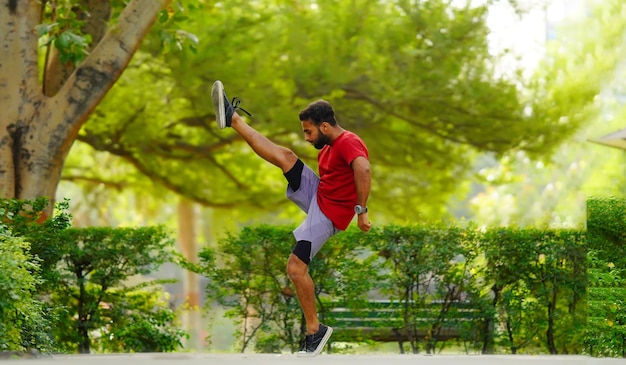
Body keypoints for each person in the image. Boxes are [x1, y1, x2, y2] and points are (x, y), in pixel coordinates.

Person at [211, 80, 371, 356]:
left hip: (328, 215)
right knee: (285, 156)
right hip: (320, 194)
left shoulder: (348, 142)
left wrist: (362, 210)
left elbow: (364, 169)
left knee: (296, 269)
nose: (307, 138)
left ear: (324, 126)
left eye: (309, 132)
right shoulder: (331, 147)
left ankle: (315, 330)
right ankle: (233, 118)